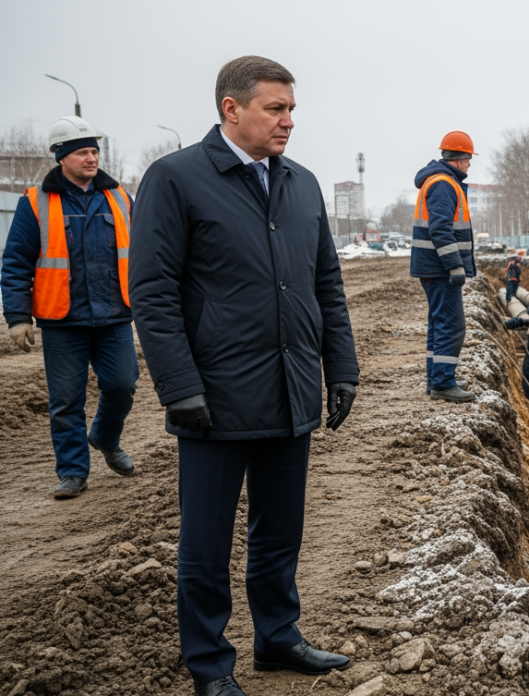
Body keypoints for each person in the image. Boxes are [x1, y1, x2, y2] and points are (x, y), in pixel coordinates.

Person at [129, 56, 358, 696]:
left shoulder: (301, 184)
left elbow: (326, 284)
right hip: (215, 397)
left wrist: (341, 367)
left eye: (291, 109)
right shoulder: (176, 179)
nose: (289, 121)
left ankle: (277, 637)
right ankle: (210, 666)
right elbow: (152, 292)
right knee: (205, 545)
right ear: (231, 109)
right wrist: (180, 387)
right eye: (275, 108)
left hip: (290, 388)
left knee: (280, 531)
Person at [2, 116, 139, 499]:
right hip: (62, 318)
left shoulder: (120, 197)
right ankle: (73, 472)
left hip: (114, 314)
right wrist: (17, 317)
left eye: (94, 151)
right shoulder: (36, 202)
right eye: (82, 153)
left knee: (123, 384)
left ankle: (105, 437)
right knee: (66, 400)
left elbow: (145, 252)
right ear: (61, 157)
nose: (91, 158)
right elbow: (16, 261)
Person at [412, 130, 478, 403]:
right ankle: (442, 383)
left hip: (433, 267)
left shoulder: (440, 181)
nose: (470, 164)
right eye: (469, 158)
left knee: (439, 324)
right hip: (439, 268)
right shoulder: (443, 184)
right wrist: (455, 266)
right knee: (452, 326)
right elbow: (440, 229)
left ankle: (437, 378)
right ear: (459, 158)